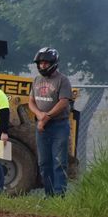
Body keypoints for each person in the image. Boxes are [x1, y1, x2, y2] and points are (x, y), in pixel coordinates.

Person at [28, 46, 73, 196]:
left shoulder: (62, 80)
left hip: (59, 125)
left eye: (46, 63)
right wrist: (39, 115)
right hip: (41, 126)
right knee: (43, 162)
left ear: (53, 63)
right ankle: (49, 194)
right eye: (40, 63)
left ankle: (60, 195)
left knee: (59, 162)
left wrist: (46, 117)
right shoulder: (37, 80)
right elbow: (31, 101)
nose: (42, 66)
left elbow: (63, 102)